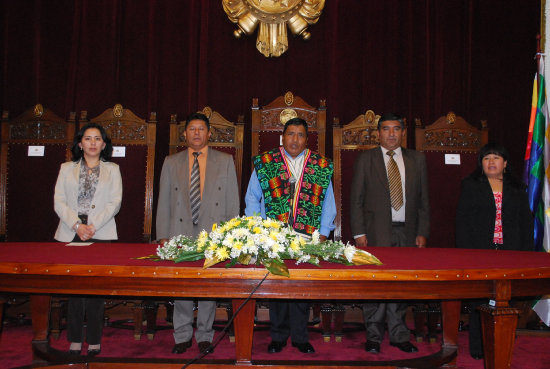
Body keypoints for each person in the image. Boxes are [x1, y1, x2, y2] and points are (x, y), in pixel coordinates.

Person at [244, 117, 336, 354]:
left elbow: (328, 203)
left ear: (307, 139)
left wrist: (324, 234)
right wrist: (257, 228)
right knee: (276, 288)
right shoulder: (266, 162)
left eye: (300, 135)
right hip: (272, 237)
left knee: (300, 288)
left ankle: (300, 337)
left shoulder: (319, 165)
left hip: (307, 239)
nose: (295, 140)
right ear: (282, 137)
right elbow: (252, 197)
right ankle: (277, 337)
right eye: (291, 134)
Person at [156, 112, 240, 354]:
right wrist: (163, 234)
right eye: (191, 129)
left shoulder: (225, 161)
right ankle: (181, 334)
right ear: (184, 133)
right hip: (179, 231)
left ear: (209, 133)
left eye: (201, 129)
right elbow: (163, 201)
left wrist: (231, 235)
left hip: (212, 232)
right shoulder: (171, 162)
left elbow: (232, 201)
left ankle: (205, 334)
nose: (196, 133)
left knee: (208, 288)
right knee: (182, 286)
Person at [349, 112, 430, 354]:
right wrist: (359, 233)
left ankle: (399, 335)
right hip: (374, 234)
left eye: (396, 129)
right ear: (378, 133)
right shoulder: (366, 160)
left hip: (408, 233)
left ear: (403, 133)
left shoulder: (417, 160)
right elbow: (356, 201)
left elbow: (424, 200)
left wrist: (423, 231)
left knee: (401, 286)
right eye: (386, 129)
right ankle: (373, 336)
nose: (391, 134)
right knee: (375, 286)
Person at [456, 143, 533, 360]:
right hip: (480, 252)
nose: (491, 162)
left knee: (506, 301)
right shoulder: (471, 185)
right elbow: (462, 222)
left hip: (511, 252)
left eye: (496, 158)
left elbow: (526, 223)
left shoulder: (517, 188)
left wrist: (526, 254)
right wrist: (465, 254)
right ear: (481, 163)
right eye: (486, 158)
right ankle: (478, 346)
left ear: (505, 163)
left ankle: (504, 341)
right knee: (480, 300)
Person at [54, 123, 123, 357]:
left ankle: (94, 339)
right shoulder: (66, 168)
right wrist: (77, 225)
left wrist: (92, 227)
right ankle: (74, 339)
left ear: (104, 145)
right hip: (70, 232)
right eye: (88, 138)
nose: (92, 143)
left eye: (97, 139)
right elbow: (59, 201)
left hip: (100, 233)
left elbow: (115, 203)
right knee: (74, 289)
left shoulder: (113, 169)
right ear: (80, 143)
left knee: (95, 290)